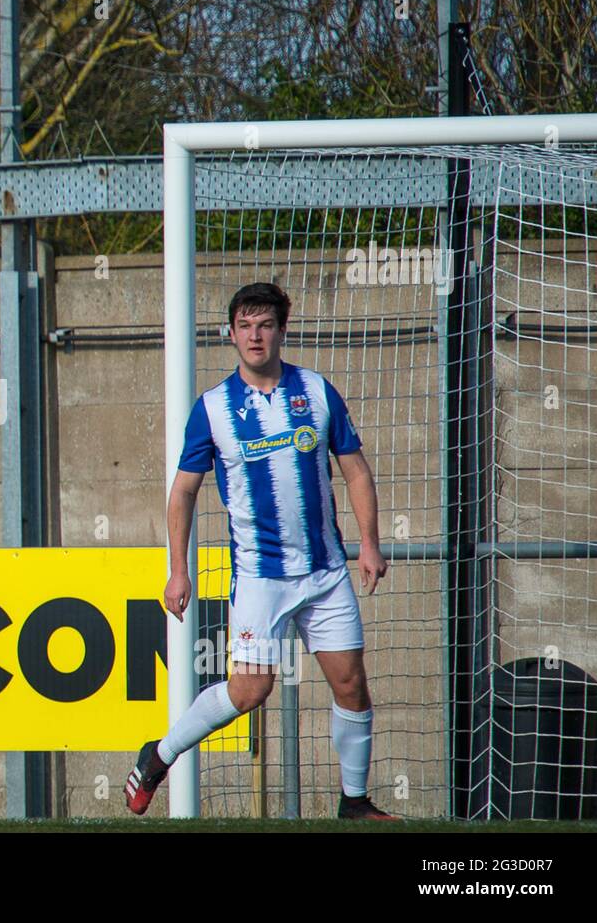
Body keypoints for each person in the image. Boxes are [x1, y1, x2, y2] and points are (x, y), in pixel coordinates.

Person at [124, 281, 396, 820]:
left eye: (265, 324)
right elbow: (183, 491)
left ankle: (355, 803)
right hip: (259, 577)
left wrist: (369, 543)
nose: (255, 335)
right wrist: (178, 571)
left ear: (281, 330)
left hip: (324, 571)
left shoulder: (317, 391)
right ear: (230, 334)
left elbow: (355, 469)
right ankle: (158, 756)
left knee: (351, 684)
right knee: (250, 691)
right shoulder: (213, 408)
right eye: (245, 326)